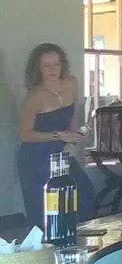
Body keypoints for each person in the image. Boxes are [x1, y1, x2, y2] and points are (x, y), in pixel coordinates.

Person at [17, 44, 95, 228]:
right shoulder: (34, 96)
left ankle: (81, 239)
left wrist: (76, 135)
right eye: (47, 65)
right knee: (45, 207)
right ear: (38, 68)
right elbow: (24, 135)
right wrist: (61, 135)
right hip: (35, 157)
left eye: (56, 64)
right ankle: (46, 250)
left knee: (84, 191)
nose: (53, 69)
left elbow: (73, 114)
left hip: (60, 153)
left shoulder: (71, 83)